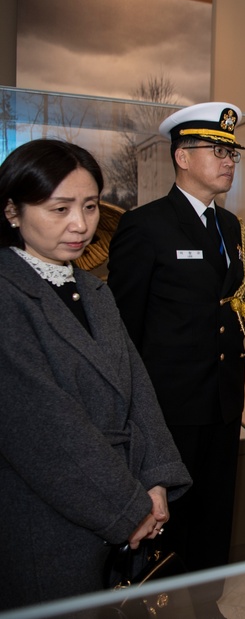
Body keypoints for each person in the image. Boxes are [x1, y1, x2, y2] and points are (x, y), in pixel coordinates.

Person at [0, 139, 191, 611]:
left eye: (88, 206)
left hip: (119, 499)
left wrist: (156, 480)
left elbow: (137, 391)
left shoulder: (92, 290)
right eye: (59, 208)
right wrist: (128, 507)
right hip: (46, 513)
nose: (80, 225)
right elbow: (43, 428)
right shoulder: (7, 295)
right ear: (12, 211)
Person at [107, 102, 245, 612]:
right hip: (169, 406)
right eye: (217, 150)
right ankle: (165, 601)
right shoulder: (146, 226)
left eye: (232, 151)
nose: (229, 160)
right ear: (182, 156)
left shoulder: (230, 227)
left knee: (217, 509)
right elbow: (123, 330)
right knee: (174, 514)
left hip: (221, 400)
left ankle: (206, 597)